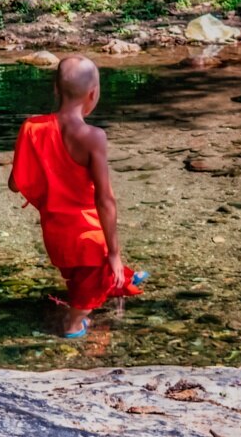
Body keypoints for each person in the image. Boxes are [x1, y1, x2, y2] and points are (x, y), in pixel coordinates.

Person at [8, 54, 147, 338]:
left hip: (55, 232)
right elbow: (105, 200)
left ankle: (119, 279)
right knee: (93, 277)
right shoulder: (93, 137)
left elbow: (15, 183)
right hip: (86, 235)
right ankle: (72, 324)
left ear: (56, 89)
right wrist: (115, 253)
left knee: (81, 273)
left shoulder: (31, 128)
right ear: (93, 94)